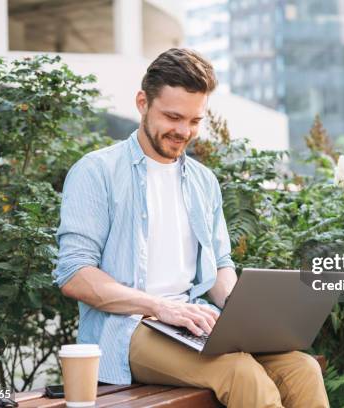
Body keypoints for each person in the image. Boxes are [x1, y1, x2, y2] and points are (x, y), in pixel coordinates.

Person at [52, 48, 329, 408]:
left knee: (302, 368)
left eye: (195, 121)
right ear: (142, 103)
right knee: (239, 373)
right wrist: (160, 307)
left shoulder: (203, 181)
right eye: (173, 116)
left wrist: (243, 315)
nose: (184, 132)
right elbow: (74, 274)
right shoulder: (96, 172)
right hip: (130, 329)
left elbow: (218, 267)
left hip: (195, 323)